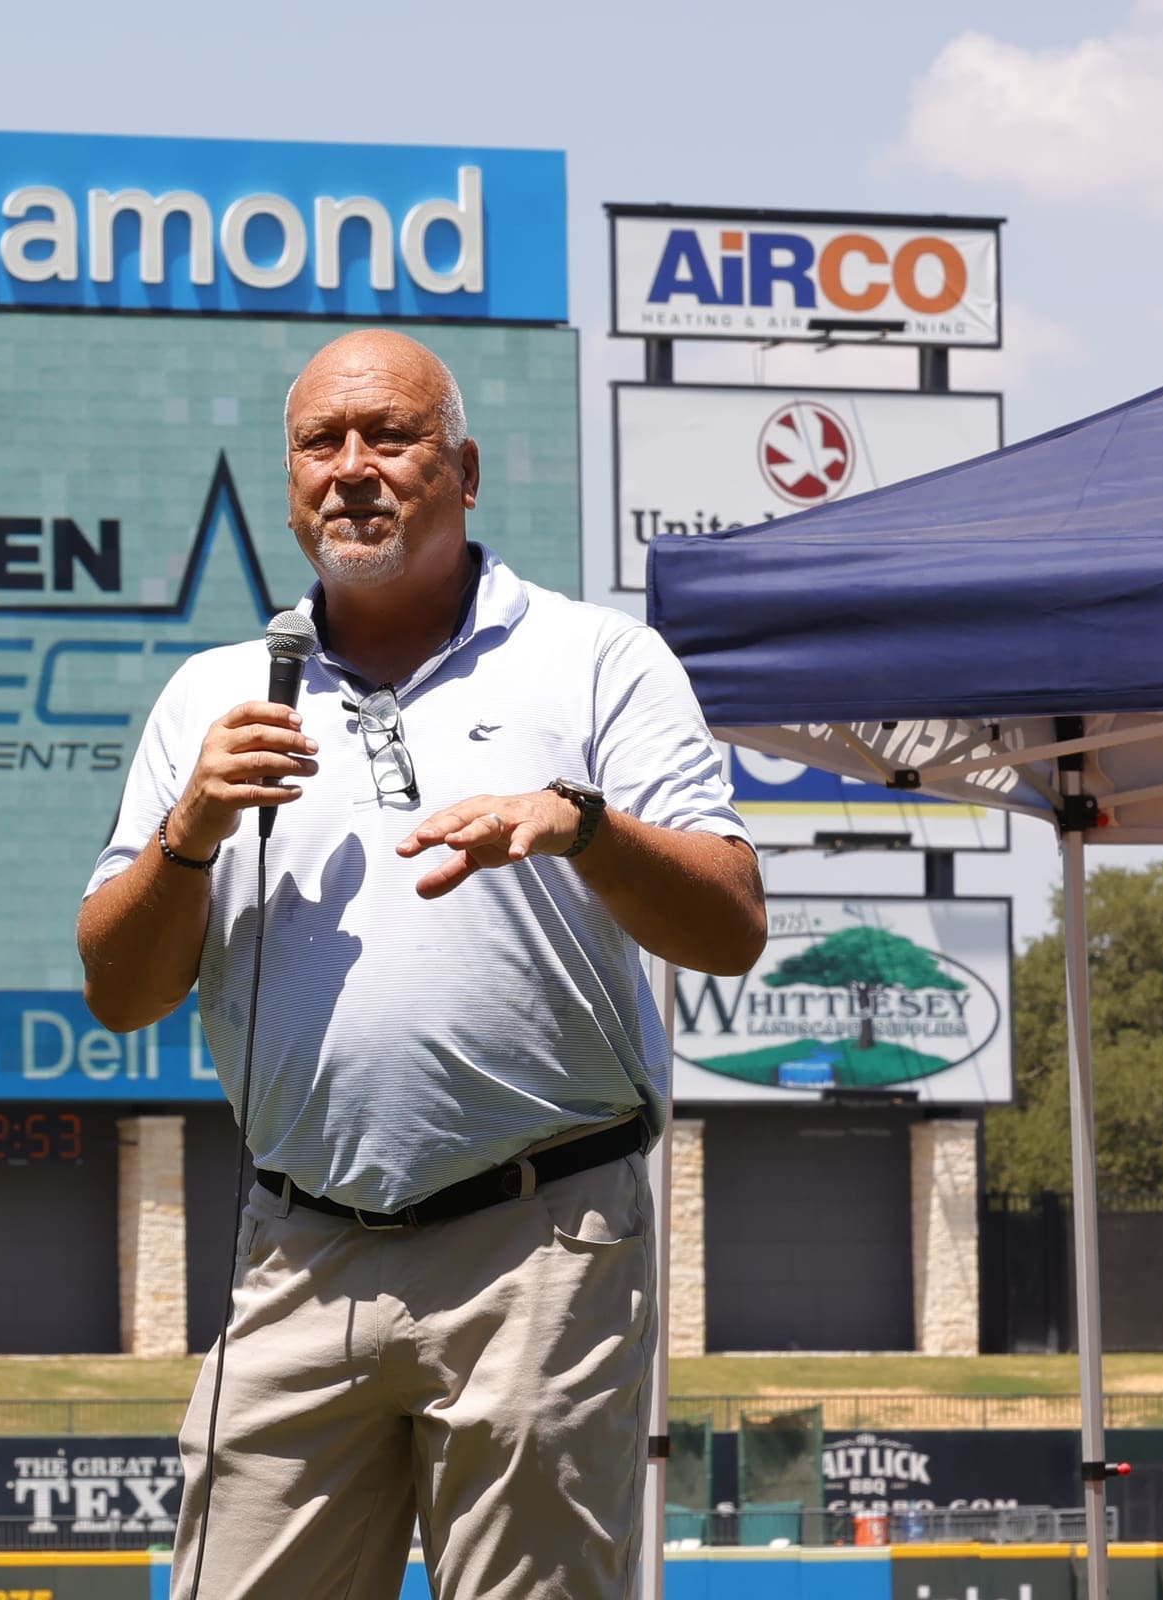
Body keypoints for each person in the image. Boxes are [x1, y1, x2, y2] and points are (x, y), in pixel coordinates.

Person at [77, 329, 766, 1599]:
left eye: (388, 437)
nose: (351, 469)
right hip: (298, 1251)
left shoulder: (596, 659)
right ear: (289, 481)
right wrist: (191, 831)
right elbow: (122, 994)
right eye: (320, 444)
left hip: (539, 1244)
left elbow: (729, 923)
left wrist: (583, 824)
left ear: (463, 469)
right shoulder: (218, 695)